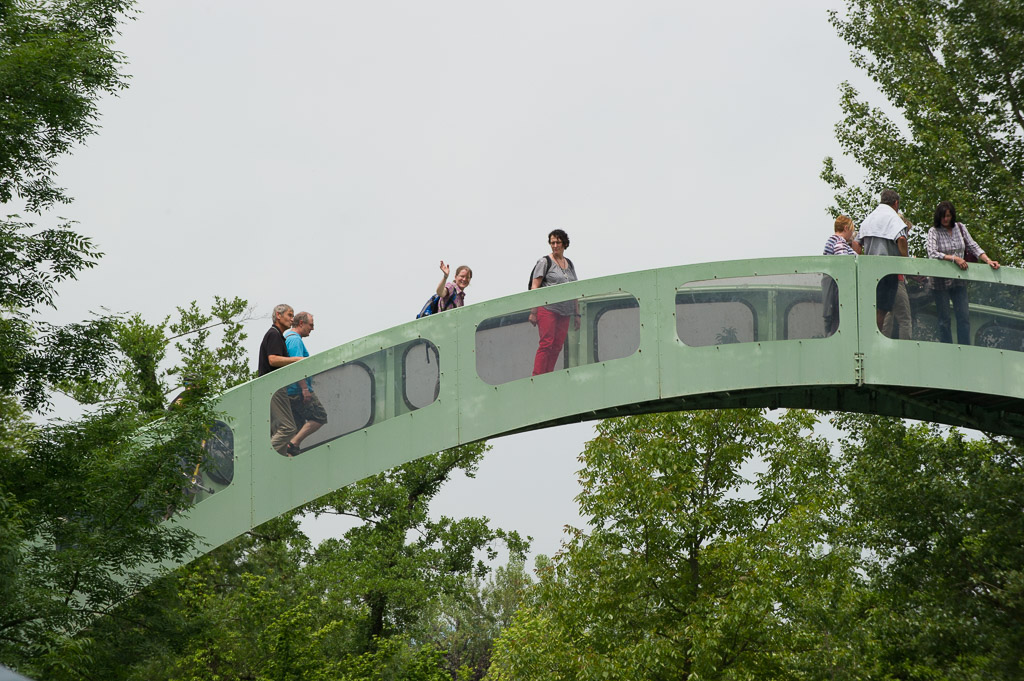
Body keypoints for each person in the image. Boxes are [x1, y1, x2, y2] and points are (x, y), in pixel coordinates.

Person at [926, 201, 1000, 345]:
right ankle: (947, 349)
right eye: (943, 216)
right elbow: (932, 253)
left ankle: (964, 347)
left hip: (959, 279)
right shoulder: (933, 231)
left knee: (964, 317)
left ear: (952, 215)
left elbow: (973, 246)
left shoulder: (960, 227)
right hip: (940, 281)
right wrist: (954, 258)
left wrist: (988, 260)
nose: (945, 219)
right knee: (944, 319)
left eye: (948, 216)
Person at [855, 190, 909, 333]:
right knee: (882, 311)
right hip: (887, 272)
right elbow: (901, 239)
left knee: (872, 308)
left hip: (869, 270)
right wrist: (905, 259)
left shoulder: (869, 219)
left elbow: (856, 244)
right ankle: (876, 338)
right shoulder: (894, 219)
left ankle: (869, 335)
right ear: (896, 203)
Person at [528, 229, 579, 375]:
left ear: (564, 244)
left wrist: (577, 314)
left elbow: (575, 289)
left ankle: (548, 374)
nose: (555, 245)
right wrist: (533, 311)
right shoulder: (545, 262)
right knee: (546, 343)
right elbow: (535, 287)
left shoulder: (569, 263)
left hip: (565, 311)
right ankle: (538, 375)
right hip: (548, 308)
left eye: (558, 242)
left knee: (557, 345)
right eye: (552, 243)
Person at [258, 304, 304, 455]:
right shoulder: (274, 334)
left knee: (277, 429)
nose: (292, 319)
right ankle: (264, 458)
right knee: (288, 428)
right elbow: (273, 359)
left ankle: (277, 459)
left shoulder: (278, 335)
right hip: (273, 388)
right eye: (290, 315)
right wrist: (297, 359)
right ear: (278, 315)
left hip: (271, 388)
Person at [283, 312, 328, 456]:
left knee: (296, 427)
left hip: (290, 392)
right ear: (301, 323)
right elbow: (297, 365)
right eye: (311, 325)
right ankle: (293, 444)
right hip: (297, 390)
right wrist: (304, 388)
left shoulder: (287, 337)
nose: (312, 329)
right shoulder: (294, 340)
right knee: (319, 416)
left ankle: (290, 452)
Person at [821, 215, 860, 336]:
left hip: (831, 286)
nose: (852, 234)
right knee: (838, 321)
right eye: (851, 230)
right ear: (846, 228)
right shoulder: (839, 242)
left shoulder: (831, 240)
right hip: (838, 289)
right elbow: (844, 263)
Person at [882, 212, 915, 341]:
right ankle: (906, 347)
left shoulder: (886, 240)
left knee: (887, 315)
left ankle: (882, 344)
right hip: (897, 280)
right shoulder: (899, 239)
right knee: (905, 318)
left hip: (886, 279)